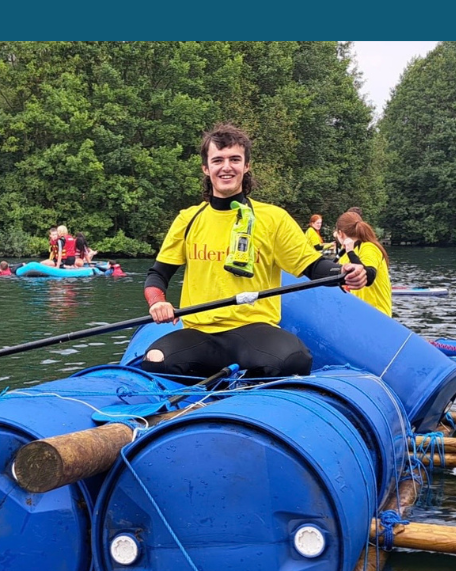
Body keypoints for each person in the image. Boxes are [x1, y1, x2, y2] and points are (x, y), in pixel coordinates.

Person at [141, 123, 367, 379]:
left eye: (234, 159)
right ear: (206, 168)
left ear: (246, 165)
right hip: (199, 332)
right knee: (154, 361)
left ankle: (246, 390)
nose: (226, 167)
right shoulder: (188, 219)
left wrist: (343, 271)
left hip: (253, 330)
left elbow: (313, 267)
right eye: (218, 160)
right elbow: (157, 275)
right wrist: (157, 302)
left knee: (296, 359)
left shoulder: (273, 218)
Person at [334, 210, 392, 317]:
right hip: (358, 313)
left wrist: (350, 252)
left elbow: (368, 277)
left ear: (340, 233)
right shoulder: (345, 253)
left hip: (378, 314)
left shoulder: (369, 248)